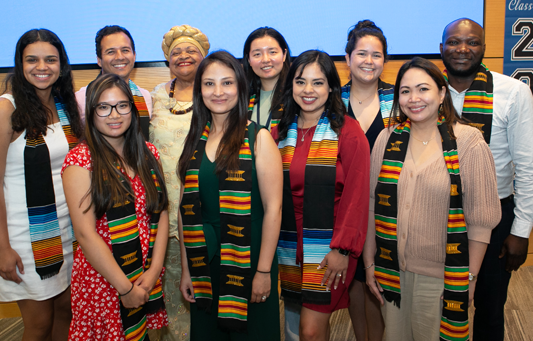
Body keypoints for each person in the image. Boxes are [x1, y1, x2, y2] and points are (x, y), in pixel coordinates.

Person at [364, 57, 501, 341]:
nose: (413, 98)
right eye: (405, 91)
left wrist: (469, 279)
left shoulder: (469, 142)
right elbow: (370, 205)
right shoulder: (387, 139)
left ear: (441, 93)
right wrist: (369, 264)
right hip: (391, 273)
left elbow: (481, 220)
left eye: (423, 89)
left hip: (441, 278)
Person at [440, 18, 533, 340]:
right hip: (438, 214)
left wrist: (521, 231)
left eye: (472, 42)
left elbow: (530, 167)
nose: (462, 49)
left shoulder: (513, 93)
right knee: (435, 303)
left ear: (484, 48)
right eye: (454, 42)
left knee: (489, 307)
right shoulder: (426, 92)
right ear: (441, 48)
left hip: (495, 217)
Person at [0, 28, 82, 341]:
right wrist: (2, 247)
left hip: (67, 231)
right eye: (32, 59)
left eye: (51, 59)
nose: (42, 66)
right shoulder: (5, 109)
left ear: (61, 65)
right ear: (20, 64)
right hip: (26, 237)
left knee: (66, 312)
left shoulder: (65, 106)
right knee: (38, 324)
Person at [177, 51, 283, 340]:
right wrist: (187, 268)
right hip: (204, 262)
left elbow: (274, 209)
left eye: (227, 83)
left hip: (248, 260)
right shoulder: (195, 138)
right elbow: (184, 210)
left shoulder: (258, 138)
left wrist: (263, 272)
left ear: (240, 88)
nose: (218, 92)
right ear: (200, 91)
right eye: (209, 84)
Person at [62, 73, 169, 340]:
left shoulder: (148, 153)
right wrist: (125, 288)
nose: (114, 114)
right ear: (91, 112)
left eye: (122, 105)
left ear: (132, 110)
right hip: (104, 281)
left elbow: (162, 211)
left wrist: (154, 270)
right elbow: (86, 235)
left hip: (144, 274)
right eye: (103, 107)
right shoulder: (81, 161)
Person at [273, 50, 370, 341]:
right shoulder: (280, 131)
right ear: (291, 85)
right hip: (289, 246)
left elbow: (358, 195)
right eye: (301, 82)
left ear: (331, 88)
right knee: (303, 325)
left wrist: (342, 250)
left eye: (318, 83)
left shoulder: (349, 132)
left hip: (331, 247)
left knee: (310, 331)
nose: (308, 91)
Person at [150, 24, 210, 341]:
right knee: (170, 284)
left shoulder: (215, 92)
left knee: (203, 281)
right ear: (167, 60)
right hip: (163, 206)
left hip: (203, 204)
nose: (183, 56)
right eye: (176, 52)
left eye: (191, 51)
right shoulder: (157, 96)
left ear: (204, 57)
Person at [342, 20, 393, 341]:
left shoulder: (398, 98)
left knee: (378, 282)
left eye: (376, 55)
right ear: (347, 58)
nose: (368, 61)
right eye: (361, 53)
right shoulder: (331, 100)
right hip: (344, 207)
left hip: (386, 208)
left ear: (384, 61)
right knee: (352, 282)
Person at [75, 25, 153, 138]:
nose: (120, 57)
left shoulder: (145, 96)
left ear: (134, 55)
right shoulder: (81, 99)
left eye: (125, 50)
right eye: (111, 52)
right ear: (99, 60)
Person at [242, 27, 290, 130]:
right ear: (249, 60)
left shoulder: (296, 95)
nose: (265, 60)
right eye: (257, 54)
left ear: (284, 55)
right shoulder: (241, 100)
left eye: (272, 52)